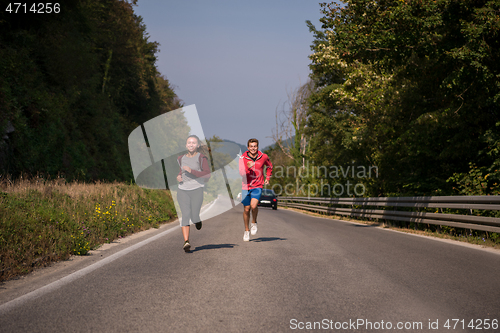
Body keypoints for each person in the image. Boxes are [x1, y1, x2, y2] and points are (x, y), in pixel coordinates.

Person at [176, 135, 211, 252]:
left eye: (193, 143)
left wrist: (192, 171)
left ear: (198, 145)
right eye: (189, 143)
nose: (191, 145)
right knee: (185, 214)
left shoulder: (202, 158)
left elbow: (207, 175)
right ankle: (186, 241)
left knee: (194, 214)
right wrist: (179, 176)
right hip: (182, 190)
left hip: (197, 189)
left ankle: (197, 219)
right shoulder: (180, 158)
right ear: (186, 145)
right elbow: (181, 172)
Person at [239, 138, 273, 241]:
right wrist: (248, 167)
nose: (253, 148)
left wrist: (267, 178)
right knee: (246, 209)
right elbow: (241, 173)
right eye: (251, 146)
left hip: (258, 186)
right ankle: (246, 230)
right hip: (245, 186)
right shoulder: (243, 158)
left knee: (253, 206)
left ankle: (254, 222)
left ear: (257, 147)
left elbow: (269, 166)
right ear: (248, 147)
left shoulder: (263, 157)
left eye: (255, 146)